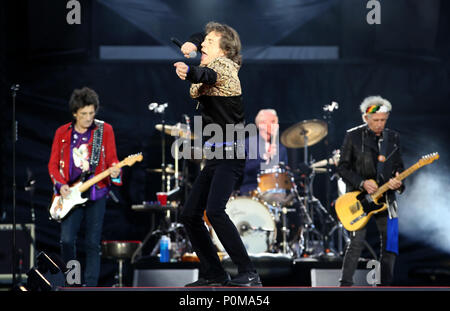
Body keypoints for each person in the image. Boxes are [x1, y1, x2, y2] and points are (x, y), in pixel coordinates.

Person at [174, 22, 262, 287]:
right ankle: (215, 273)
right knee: (190, 214)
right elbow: (201, 44)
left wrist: (189, 71)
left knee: (215, 210)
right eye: (205, 42)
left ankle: (249, 272)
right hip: (216, 155)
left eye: (210, 43)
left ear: (224, 50)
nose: (204, 45)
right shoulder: (212, 60)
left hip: (231, 153)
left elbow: (206, 76)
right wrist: (191, 41)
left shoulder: (225, 68)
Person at [48, 87, 122, 286]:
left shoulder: (104, 130)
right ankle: (72, 283)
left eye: (91, 113)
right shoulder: (62, 132)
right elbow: (53, 165)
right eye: (83, 114)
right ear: (74, 113)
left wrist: (115, 170)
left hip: (97, 193)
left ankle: (89, 287)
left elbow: (113, 160)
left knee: (92, 243)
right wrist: (61, 185)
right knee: (67, 240)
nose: (88, 118)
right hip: (70, 193)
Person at [337, 95, 404, 286]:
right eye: (375, 120)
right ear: (366, 118)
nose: (379, 124)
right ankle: (345, 284)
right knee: (356, 243)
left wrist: (399, 181)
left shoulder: (394, 137)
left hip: (387, 198)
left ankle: (386, 285)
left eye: (383, 120)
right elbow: (342, 168)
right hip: (359, 198)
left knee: (391, 243)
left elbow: (399, 166)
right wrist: (362, 183)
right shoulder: (353, 136)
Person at [239, 109, 288, 196]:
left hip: (276, 192)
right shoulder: (247, 144)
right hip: (252, 191)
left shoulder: (281, 148)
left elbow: (285, 172)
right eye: (273, 121)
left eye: (276, 122)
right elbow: (242, 169)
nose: (276, 125)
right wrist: (264, 158)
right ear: (262, 125)